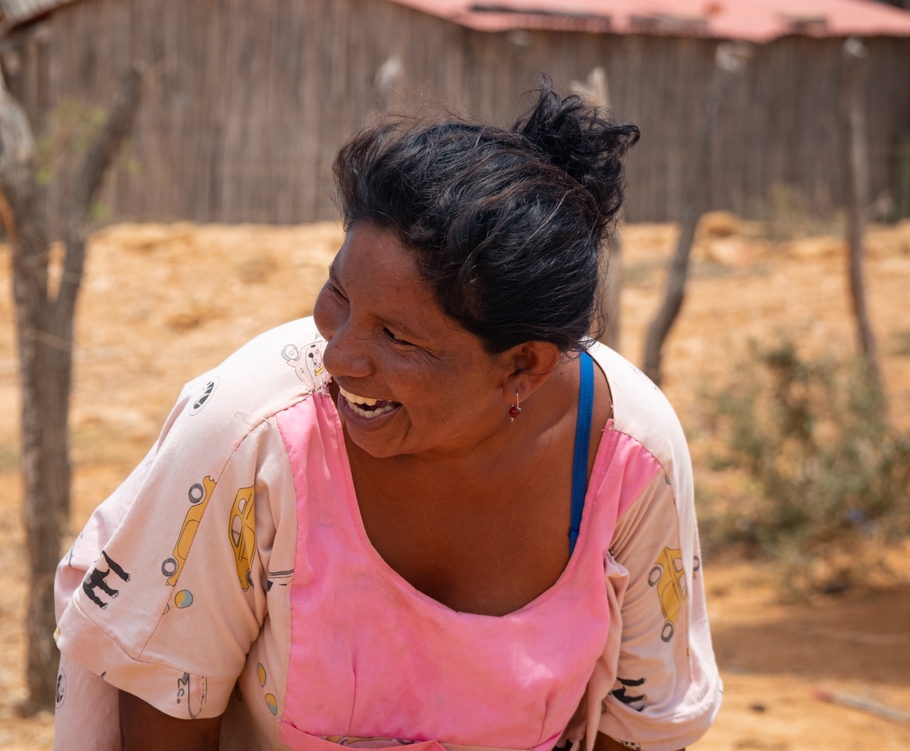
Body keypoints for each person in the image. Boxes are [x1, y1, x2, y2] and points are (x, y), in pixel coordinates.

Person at [53, 82, 722, 751]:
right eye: (338, 294)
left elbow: (643, 727)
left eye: (398, 339)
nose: (340, 357)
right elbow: (168, 708)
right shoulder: (248, 434)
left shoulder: (630, 454)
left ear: (523, 365)